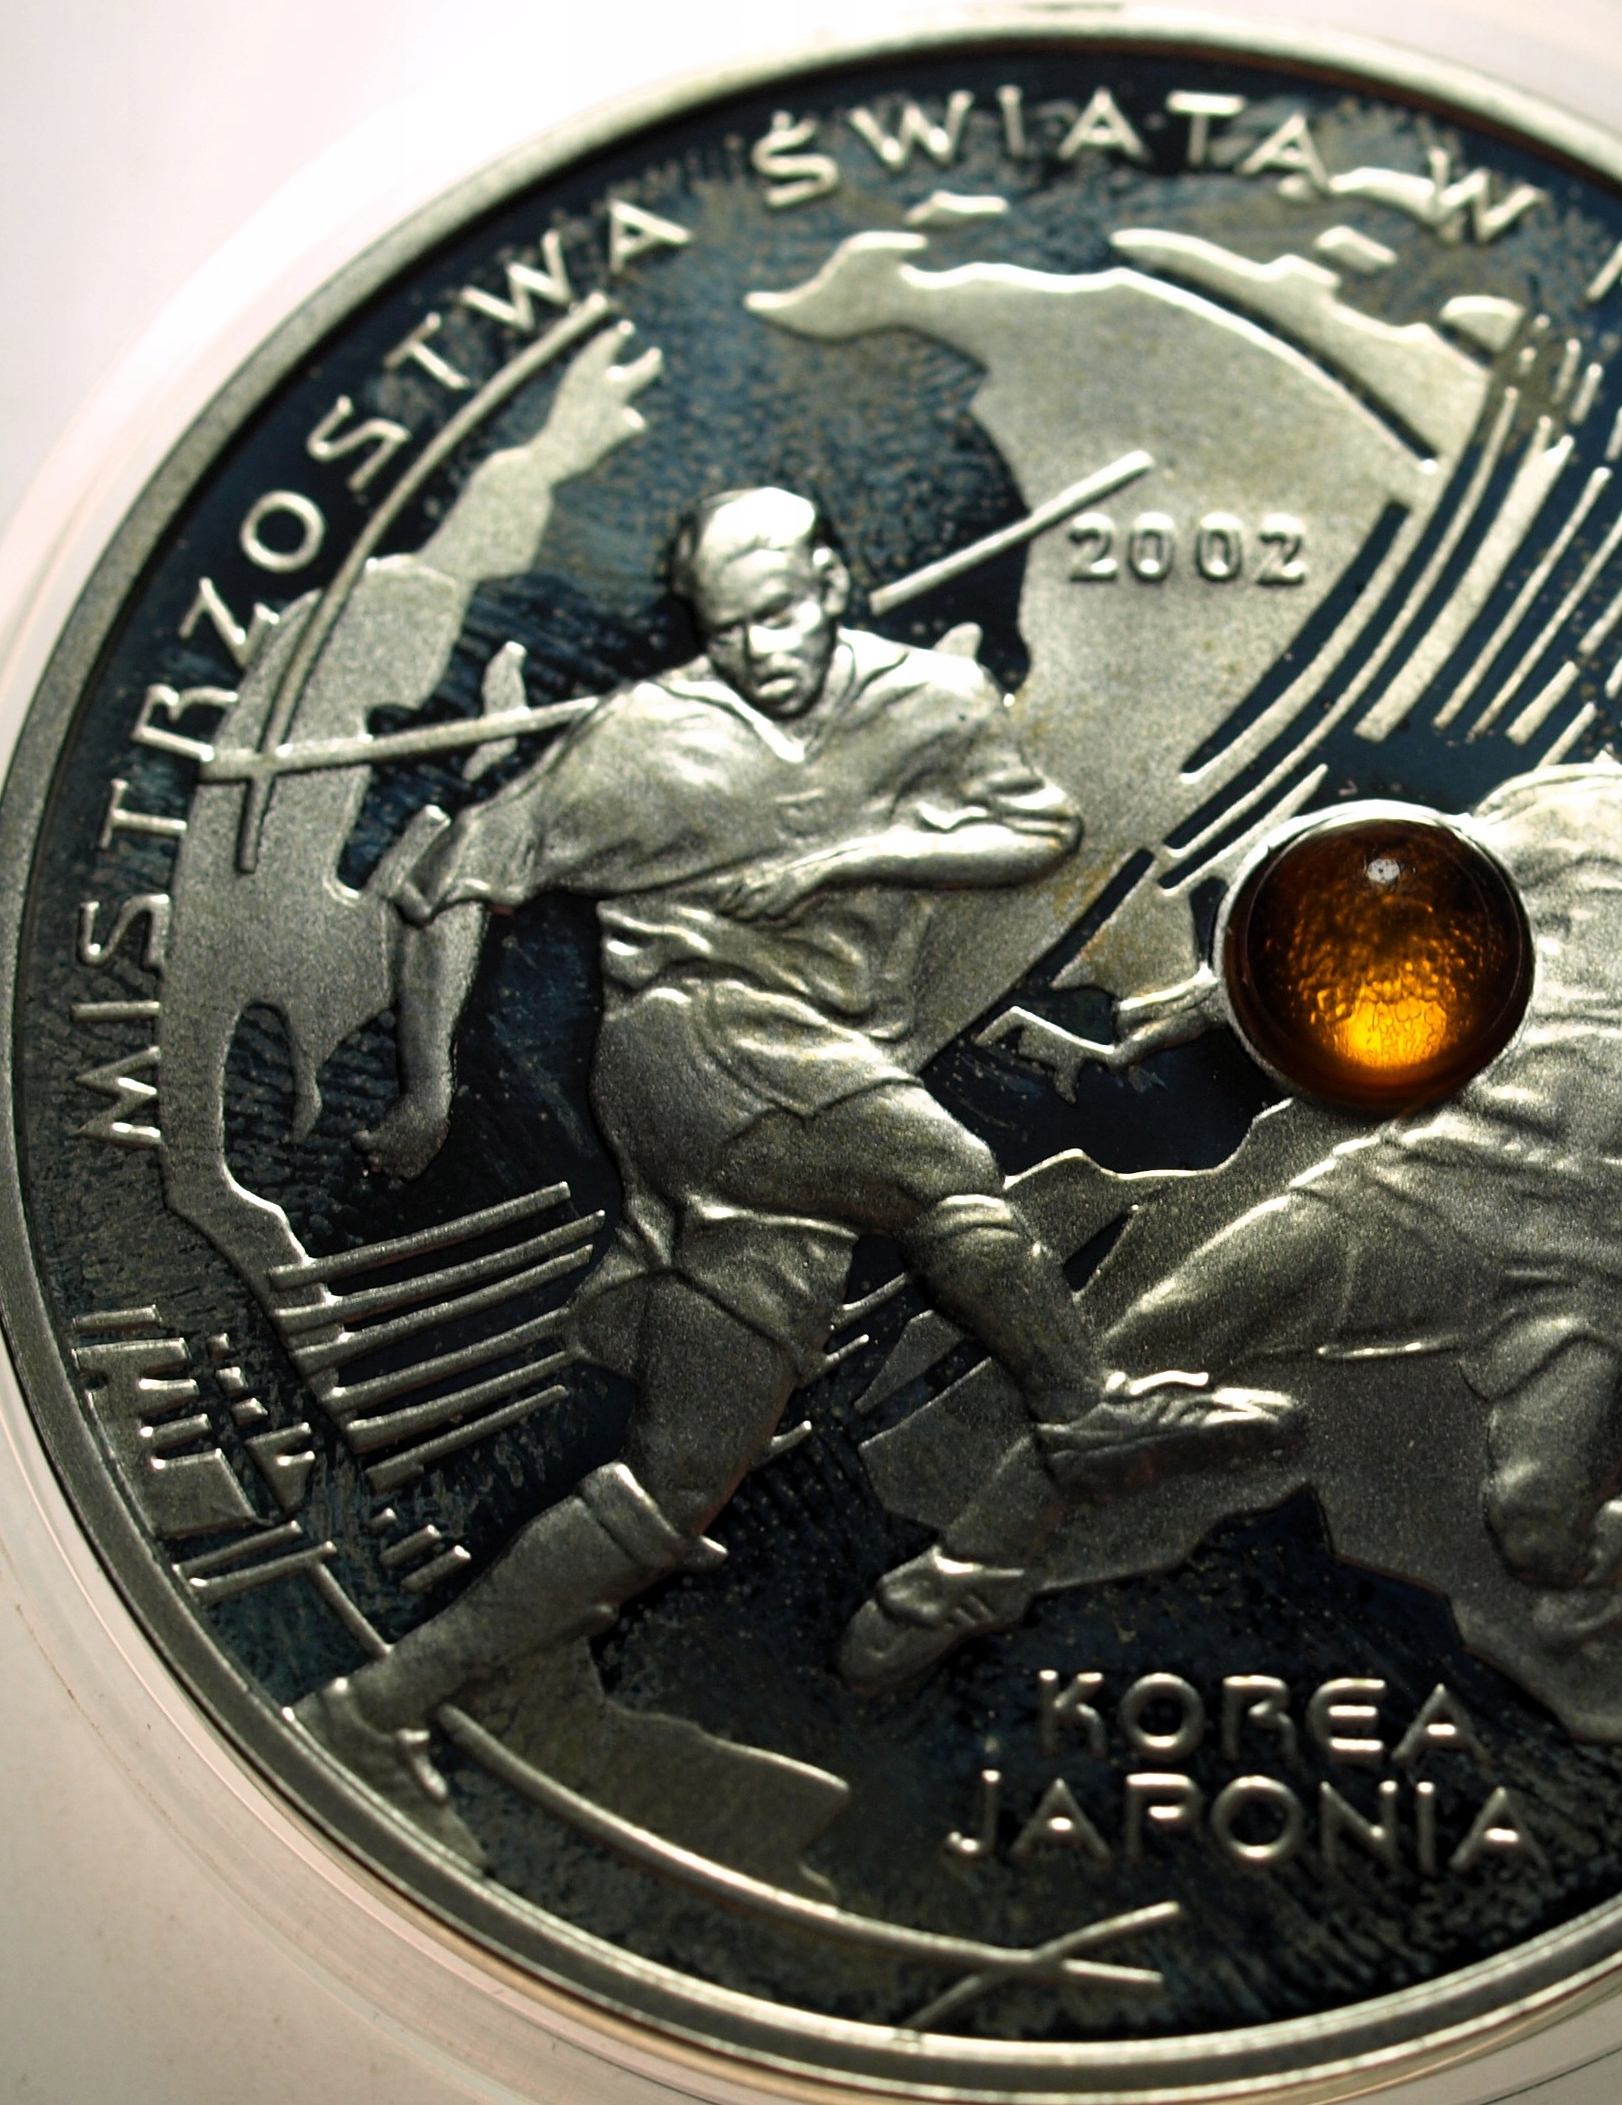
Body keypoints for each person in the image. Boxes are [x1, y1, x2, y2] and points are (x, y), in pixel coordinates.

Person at [296, 487, 1298, 1863]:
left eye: (781, 612)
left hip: (817, 1086)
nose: (762, 649)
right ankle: (1082, 1410)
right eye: (730, 629)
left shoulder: (924, 699)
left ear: (834, 578)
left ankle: (373, 1708)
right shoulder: (642, 736)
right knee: (945, 1172)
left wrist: (852, 853)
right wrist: (428, 1088)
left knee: (676, 1484)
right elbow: (453, 885)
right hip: (691, 1043)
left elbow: (1037, 829)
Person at [841, 617, 1622, 1689]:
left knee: (1536, 1524)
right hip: (1438, 1176)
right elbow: (1390, 905)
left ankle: (1593, 1559)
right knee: (1154, 1334)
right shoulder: (1579, 815)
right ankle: (973, 1569)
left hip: (1616, 1263)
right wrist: (1217, 998)